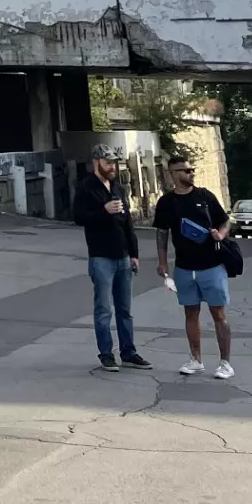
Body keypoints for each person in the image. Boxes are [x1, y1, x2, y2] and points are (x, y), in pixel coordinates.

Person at [154, 151, 234, 378]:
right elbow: (162, 233)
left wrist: (220, 233)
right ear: (173, 174)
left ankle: (225, 363)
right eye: (186, 171)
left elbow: (225, 220)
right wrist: (162, 263)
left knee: (218, 313)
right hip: (184, 268)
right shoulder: (166, 202)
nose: (191, 174)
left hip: (212, 265)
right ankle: (196, 360)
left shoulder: (205, 196)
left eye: (192, 170)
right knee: (191, 313)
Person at [74, 143, 150, 371]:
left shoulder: (117, 187)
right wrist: (103, 211)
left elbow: (128, 223)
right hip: (101, 257)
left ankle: (129, 352)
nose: (112, 167)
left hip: (123, 257)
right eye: (108, 163)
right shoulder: (87, 187)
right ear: (97, 163)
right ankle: (106, 353)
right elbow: (78, 217)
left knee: (125, 309)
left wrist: (134, 254)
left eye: (114, 163)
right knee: (104, 309)